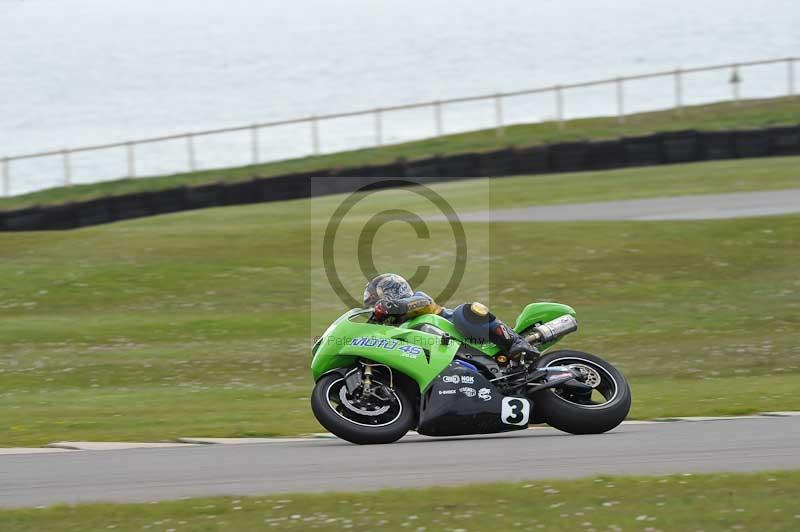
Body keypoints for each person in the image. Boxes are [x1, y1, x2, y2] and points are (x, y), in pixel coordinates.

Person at [362, 273, 535, 357]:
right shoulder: (398, 330)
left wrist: (390, 307)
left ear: (391, 292)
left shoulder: (418, 299)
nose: (376, 308)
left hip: (463, 334)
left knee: (466, 310)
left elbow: (419, 304)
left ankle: (515, 341)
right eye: (373, 305)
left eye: (377, 301)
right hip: (445, 356)